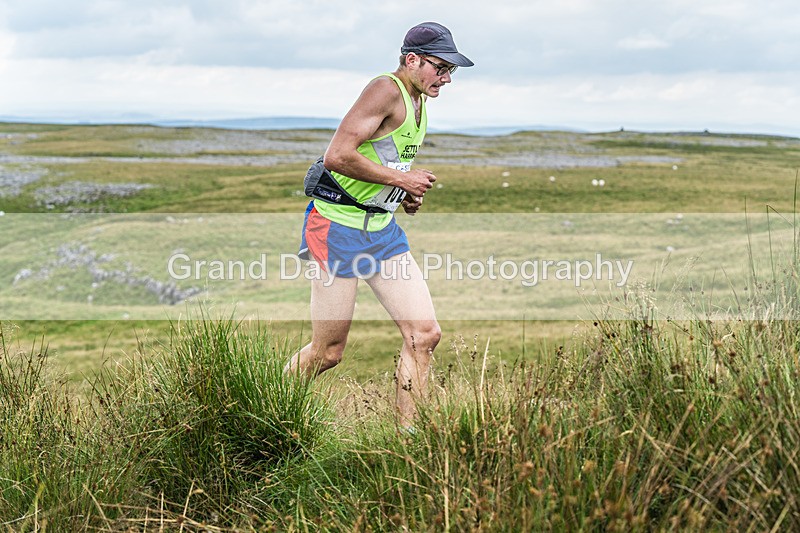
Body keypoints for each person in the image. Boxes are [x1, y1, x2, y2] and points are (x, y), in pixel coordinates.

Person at [285, 22, 474, 428]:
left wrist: (400, 193)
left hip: (382, 232)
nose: (446, 78)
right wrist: (402, 180)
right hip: (335, 228)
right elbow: (337, 155)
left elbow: (381, 161)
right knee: (328, 353)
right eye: (440, 68)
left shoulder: (420, 100)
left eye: (451, 71)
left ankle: (408, 442)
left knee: (424, 334)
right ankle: (267, 401)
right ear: (412, 60)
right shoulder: (385, 89)